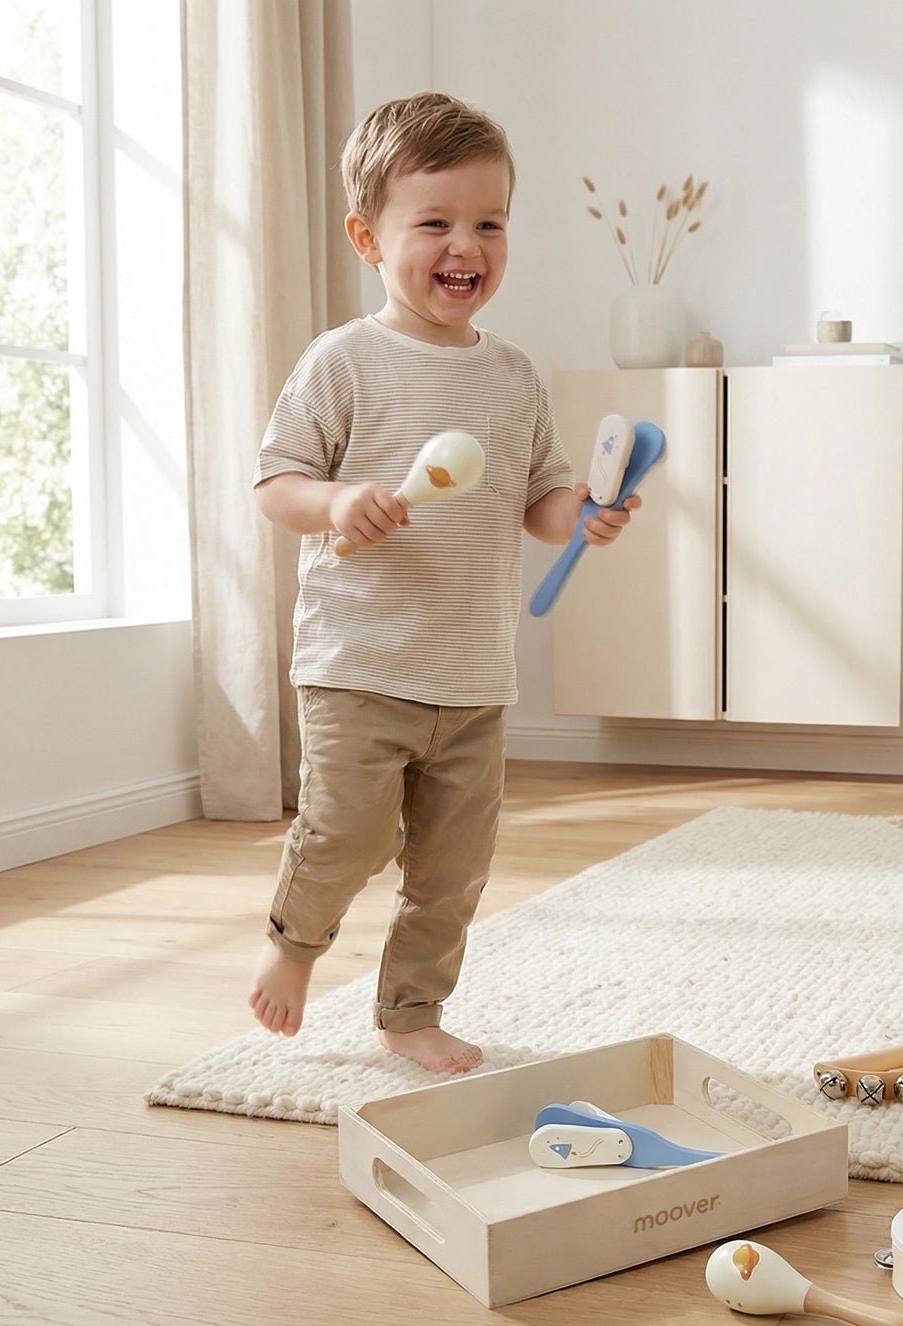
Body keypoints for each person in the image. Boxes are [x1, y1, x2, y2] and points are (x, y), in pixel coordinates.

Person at [247, 92, 640, 1074]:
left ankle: (410, 1009)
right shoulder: (343, 361)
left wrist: (582, 515)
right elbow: (276, 484)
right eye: (433, 222)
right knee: (344, 834)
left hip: (470, 674)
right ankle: (292, 945)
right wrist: (336, 504)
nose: (465, 245)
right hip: (357, 664)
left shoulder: (510, 376)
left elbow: (539, 494)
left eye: (488, 223)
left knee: (450, 872)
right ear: (366, 238)